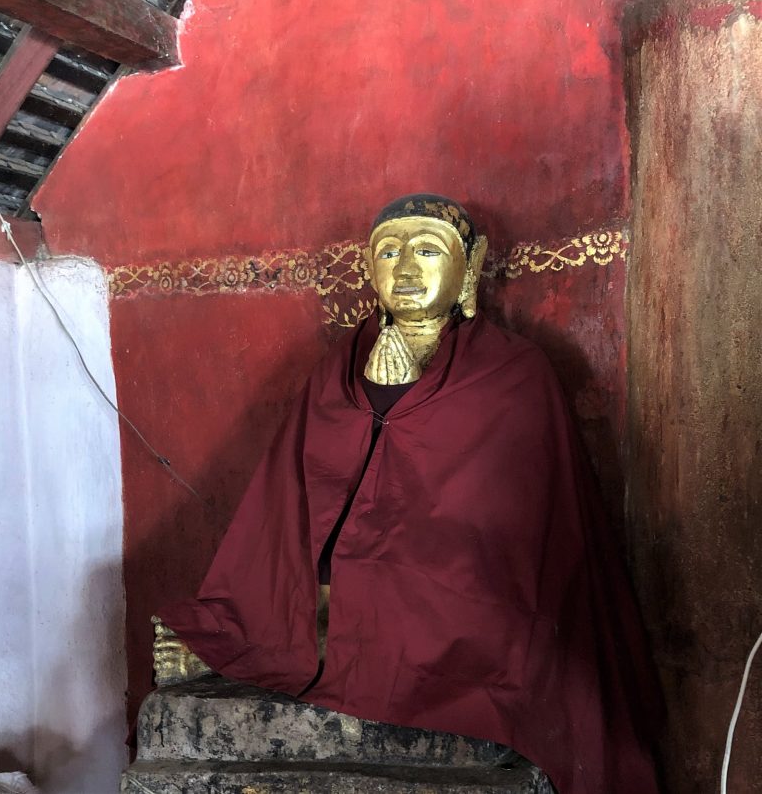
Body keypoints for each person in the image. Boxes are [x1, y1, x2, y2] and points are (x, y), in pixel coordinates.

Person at [156, 194, 662, 794]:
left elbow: (514, 524)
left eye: (426, 251)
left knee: (484, 624)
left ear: (470, 268)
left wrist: (401, 404)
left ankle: (331, 641)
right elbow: (291, 500)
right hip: (339, 581)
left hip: (460, 588)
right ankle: (293, 635)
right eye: (388, 253)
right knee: (278, 603)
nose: (405, 269)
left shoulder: (513, 372)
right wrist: (375, 402)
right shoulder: (340, 368)